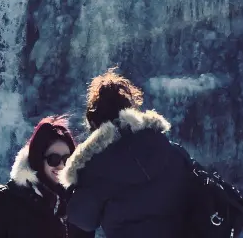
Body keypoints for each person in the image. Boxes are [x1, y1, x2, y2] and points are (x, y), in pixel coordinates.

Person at [60, 68, 189, 238]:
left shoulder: (95, 170)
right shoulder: (173, 152)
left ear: (93, 123)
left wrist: (72, 190)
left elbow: (82, 220)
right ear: (133, 112)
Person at [0, 116, 76, 238]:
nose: (61, 166)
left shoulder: (68, 203)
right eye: (53, 159)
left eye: (67, 159)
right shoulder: (3, 206)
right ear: (38, 161)